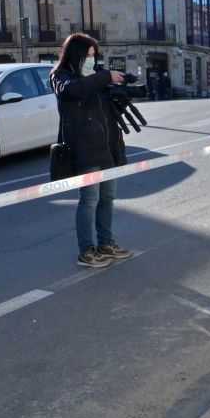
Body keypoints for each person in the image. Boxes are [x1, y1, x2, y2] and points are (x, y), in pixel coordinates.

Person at [50, 33, 133, 268]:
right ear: (75, 54)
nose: (91, 60)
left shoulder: (95, 77)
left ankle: (106, 243)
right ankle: (86, 251)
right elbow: (71, 91)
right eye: (88, 55)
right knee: (89, 200)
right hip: (85, 150)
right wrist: (105, 77)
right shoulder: (61, 76)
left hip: (108, 147)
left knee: (107, 197)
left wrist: (122, 91)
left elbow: (105, 109)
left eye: (93, 56)